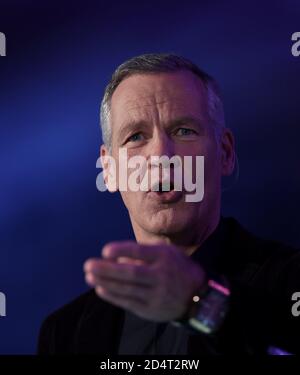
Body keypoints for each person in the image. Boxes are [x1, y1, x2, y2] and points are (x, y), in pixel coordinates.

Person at [38, 53, 300, 355]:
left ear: (225, 153)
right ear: (108, 171)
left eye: (184, 131)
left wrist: (199, 302)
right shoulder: (64, 333)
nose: (162, 154)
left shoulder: (288, 282)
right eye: (136, 136)